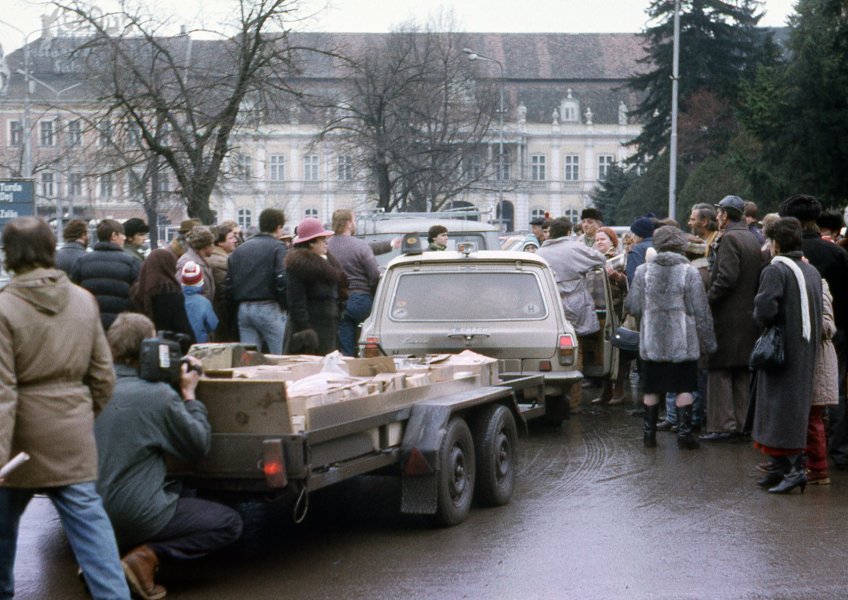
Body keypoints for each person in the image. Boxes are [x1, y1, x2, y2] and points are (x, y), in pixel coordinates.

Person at [0, 217, 131, 600]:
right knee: (93, 534)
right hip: (72, 430)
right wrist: (78, 414)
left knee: (3, 533)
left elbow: (3, 390)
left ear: (9, 253)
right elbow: (104, 376)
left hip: (19, 442)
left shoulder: (5, 307)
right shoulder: (82, 299)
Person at [95, 313, 242, 599]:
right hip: (134, 514)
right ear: (149, 348)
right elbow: (197, 444)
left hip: (88, 514)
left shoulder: (92, 388)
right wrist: (188, 394)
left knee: (178, 489)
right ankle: (145, 558)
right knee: (229, 522)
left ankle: (101, 561)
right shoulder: (157, 395)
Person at [625, 225, 717, 449]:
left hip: (652, 343)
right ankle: (684, 435)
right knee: (684, 387)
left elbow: (633, 306)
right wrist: (708, 343)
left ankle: (649, 435)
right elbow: (701, 310)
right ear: (680, 247)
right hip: (682, 343)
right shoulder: (689, 272)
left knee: (652, 387)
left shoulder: (643, 271)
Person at [750, 217, 822, 494]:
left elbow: (765, 310)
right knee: (792, 406)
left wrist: (759, 319)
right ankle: (781, 466)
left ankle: (793, 469)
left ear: (776, 243)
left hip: (781, 350)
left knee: (778, 407)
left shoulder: (776, 269)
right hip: (805, 348)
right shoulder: (810, 270)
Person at [778, 195, 848, 469]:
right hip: (835, 331)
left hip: (794, 333)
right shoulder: (836, 252)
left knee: (796, 390)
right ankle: (838, 450)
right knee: (836, 390)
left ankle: (796, 452)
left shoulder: (782, 256)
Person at [700, 195, 763, 442]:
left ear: (725, 215)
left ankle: (723, 426)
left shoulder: (730, 239)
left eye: (719, 213)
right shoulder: (751, 237)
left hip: (727, 317)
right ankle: (741, 425)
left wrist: (706, 300)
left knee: (720, 372)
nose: (717, 217)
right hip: (747, 316)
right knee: (740, 373)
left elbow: (725, 279)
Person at [537, 217, 606, 414]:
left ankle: (552, 397)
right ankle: (573, 400)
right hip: (574, 303)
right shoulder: (574, 248)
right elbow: (599, 259)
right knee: (576, 350)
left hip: (551, 305)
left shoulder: (541, 251)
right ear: (568, 232)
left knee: (554, 349)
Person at [225, 208, 288, 355]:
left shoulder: (240, 249)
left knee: (249, 359)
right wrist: (285, 305)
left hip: (243, 308)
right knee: (281, 356)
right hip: (268, 307)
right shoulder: (278, 247)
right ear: (278, 227)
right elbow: (281, 279)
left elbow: (229, 283)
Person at [284, 218, 348, 355]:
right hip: (310, 330)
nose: (326, 242)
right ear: (311, 243)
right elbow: (296, 302)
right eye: (322, 239)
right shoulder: (298, 265)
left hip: (328, 326)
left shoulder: (328, 262)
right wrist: (306, 331)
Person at [327, 208, 384, 357]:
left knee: (346, 340)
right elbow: (374, 274)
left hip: (338, 301)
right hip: (361, 299)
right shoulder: (360, 246)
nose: (355, 223)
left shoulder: (327, 246)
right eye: (354, 220)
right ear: (347, 223)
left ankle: (349, 360)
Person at [71, 218, 141, 330]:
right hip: (121, 327)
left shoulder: (82, 262)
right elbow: (137, 297)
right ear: (114, 236)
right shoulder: (131, 263)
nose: (124, 239)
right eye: (122, 236)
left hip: (90, 325)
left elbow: (73, 295)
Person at [590, 227, 629, 405]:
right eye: (597, 240)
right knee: (605, 351)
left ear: (612, 242)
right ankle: (606, 391)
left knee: (618, 351)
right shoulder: (591, 259)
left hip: (616, 311)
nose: (599, 242)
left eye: (603, 240)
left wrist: (616, 276)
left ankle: (618, 391)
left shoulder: (621, 259)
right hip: (599, 310)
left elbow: (628, 283)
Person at [131, 248, 195, 343]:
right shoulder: (172, 292)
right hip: (168, 345)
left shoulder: (136, 291)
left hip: (142, 345)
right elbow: (182, 327)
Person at [208, 223, 239, 341]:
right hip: (222, 315)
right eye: (231, 238)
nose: (235, 240)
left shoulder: (221, 258)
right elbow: (225, 291)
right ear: (220, 243)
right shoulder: (221, 262)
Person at [176, 226, 216, 304]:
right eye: (212, 243)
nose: (214, 247)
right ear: (206, 246)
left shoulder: (201, 260)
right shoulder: (188, 263)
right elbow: (184, 293)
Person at [181, 261, 218, 344]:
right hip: (200, 343)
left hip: (182, 343)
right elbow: (212, 325)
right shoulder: (204, 302)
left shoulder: (177, 300)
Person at [625, 214, 656, 285]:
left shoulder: (636, 250)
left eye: (633, 233)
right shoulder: (659, 245)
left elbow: (633, 279)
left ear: (638, 234)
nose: (632, 238)